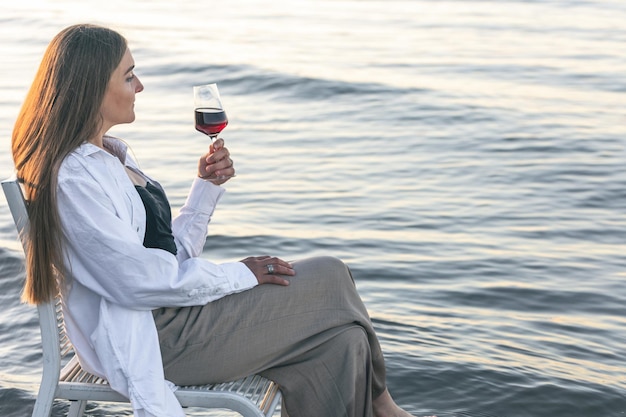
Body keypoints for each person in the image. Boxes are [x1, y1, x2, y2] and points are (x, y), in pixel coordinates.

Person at [11, 23, 415, 417]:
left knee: (343, 342)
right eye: (129, 76)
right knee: (329, 273)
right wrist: (240, 275)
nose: (140, 86)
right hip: (152, 335)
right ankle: (386, 409)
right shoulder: (75, 177)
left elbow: (169, 257)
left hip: (168, 314)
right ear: (92, 87)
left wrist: (205, 186)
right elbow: (135, 282)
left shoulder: (112, 155)